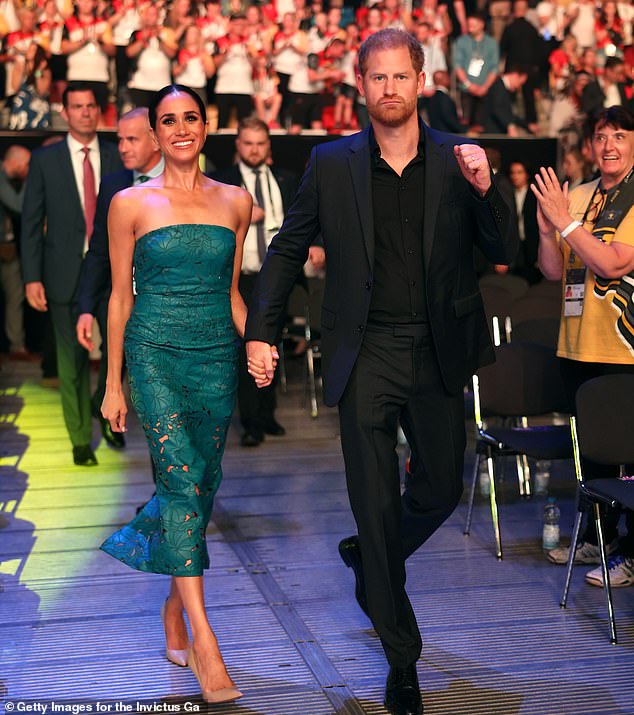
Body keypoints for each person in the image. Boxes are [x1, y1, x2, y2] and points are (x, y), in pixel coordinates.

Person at [245, 29, 516, 715]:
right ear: (359, 84)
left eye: (401, 77)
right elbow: (286, 249)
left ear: (420, 80)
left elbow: (505, 251)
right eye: (378, 78)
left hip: (438, 349)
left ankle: (370, 556)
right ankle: (402, 657)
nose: (390, 89)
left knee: (439, 489)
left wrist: (488, 189)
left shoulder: (461, 159)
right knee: (371, 496)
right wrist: (261, 330)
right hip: (363, 352)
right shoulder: (331, 164)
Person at [100, 84, 251, 702]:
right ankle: (205, 643)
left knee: (197, 489)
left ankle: (172, 606)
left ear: (206, 126)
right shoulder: (129, 203)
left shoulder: (236, 202)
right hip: (154, 354)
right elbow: (119, 299)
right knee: (183, 481)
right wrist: (113, 384)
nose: (181, 128)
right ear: (156, 134)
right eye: (169, 120)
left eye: (191, 117)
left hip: (217, 356)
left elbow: (235, 293)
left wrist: (259, 345)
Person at [532, 105, 634, 588]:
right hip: (577, 344)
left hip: (625, 350)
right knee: (592, 454)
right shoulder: (576, 195)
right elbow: (554, 270)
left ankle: (631, 551)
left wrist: (564, 223)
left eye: (619, 135)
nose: (609, 145)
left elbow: (613, 264)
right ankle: (602, 534)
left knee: (630, 455)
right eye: (601, 136)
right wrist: (545, 226)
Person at [21, 82, 122, 467]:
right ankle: (80, 438)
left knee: (119, 349)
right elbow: (31, 222)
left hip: (109, 271)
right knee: (71, 359)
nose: (85, 112)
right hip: (62, 270)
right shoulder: (45, 161)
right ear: (65, 112)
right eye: (77, 106)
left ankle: (104, 405)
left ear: (99, 111)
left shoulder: (116, 156)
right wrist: (32, 277)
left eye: (91, 106)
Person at [76, 107, 164, 450]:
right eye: (120, 140)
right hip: (119, 296)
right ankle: (110, 409)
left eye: (131, 139)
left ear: (155, 140)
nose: (123, 147)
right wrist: (85, 307)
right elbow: (97, 251)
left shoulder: (180, 178)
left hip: (165, 301)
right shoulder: (113, 183)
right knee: (119, 363)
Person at [0, 145, 30, 360]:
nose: (29, 169)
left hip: (7, 249)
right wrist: (34, 181)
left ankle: (16, 346)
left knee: (15, 296)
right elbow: (20, 204)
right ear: (18, 163)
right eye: (28, 165)